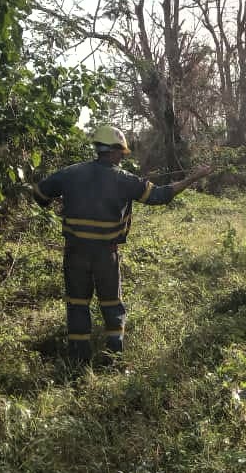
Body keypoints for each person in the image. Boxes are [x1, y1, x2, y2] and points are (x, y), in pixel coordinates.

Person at [32, 125, 212, 363]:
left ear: (98, 148)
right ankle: (113, 358)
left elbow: (39, 195)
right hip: (106, 254)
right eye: (121, 153)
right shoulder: (125, 179)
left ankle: (78, 360)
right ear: (114, 150)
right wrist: (193, 178)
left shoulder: (69, 173)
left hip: (75, 252)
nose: (121, 157)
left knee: (77, 303)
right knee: (111, 304)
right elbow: (160, 196)